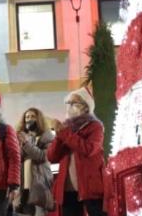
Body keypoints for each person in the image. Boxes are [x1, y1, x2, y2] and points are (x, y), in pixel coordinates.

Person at [47, 88, 104, 216]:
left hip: (90, 187)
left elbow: (89, 149)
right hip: (67, 188)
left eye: (75, 103)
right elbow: (52, 156)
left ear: (86, 106)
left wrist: (64, 132)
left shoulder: (95, 126)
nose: (70, 106)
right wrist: (59, 134)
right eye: (68, 103)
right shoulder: (65, 127)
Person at [13, 109, 54, 216]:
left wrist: (26, 143)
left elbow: (42, 156)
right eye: (27, 117)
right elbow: (17, 158)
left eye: (32, 116)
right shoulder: (21, 136)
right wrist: (21, 142)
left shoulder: (48, 136)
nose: (29, 119)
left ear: (38, 119)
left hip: (39, 184)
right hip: (23, 185)